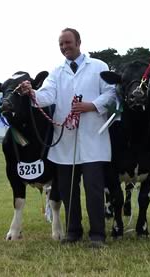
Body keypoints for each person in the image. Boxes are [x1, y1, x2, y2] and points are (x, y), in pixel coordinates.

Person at [20, 28, 116, 248]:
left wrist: (91, 106)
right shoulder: (57, 71)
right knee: (67, 189)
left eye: (68, 43)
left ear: (79, 42)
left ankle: (97, 235)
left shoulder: (99, 66)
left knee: (93, 187)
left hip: (93, 138)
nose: (64, 47)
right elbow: (47, 95)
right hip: (66, 140)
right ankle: (73, 231)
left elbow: (111, 94)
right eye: (61, 44)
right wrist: (32, 93)